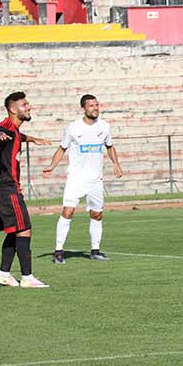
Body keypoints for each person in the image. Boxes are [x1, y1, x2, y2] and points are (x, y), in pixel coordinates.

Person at [43, 94, 123, 264]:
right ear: (84, 108)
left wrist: (116, 164)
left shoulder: (105, 127)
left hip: (96, 180)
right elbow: (62, 148)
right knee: (68, 211)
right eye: (91, 106)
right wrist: (52, 165)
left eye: (97, 105)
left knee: (97, 214)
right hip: (76, 179)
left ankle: (95, 250)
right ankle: (58, 251)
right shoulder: (73, 128)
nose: (95, 108)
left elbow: (110, 147)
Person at [0, 92, 51, 288]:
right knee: (24, 229)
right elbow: (1, 132)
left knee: (15, 230)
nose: (29, 107)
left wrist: (33, 139)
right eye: (24, 104)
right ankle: (27, 277)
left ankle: (4, 274)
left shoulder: (15, 131)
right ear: (13, 109)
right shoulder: (6, 127)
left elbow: (18, 136)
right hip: (6, 188)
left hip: (2, 187)